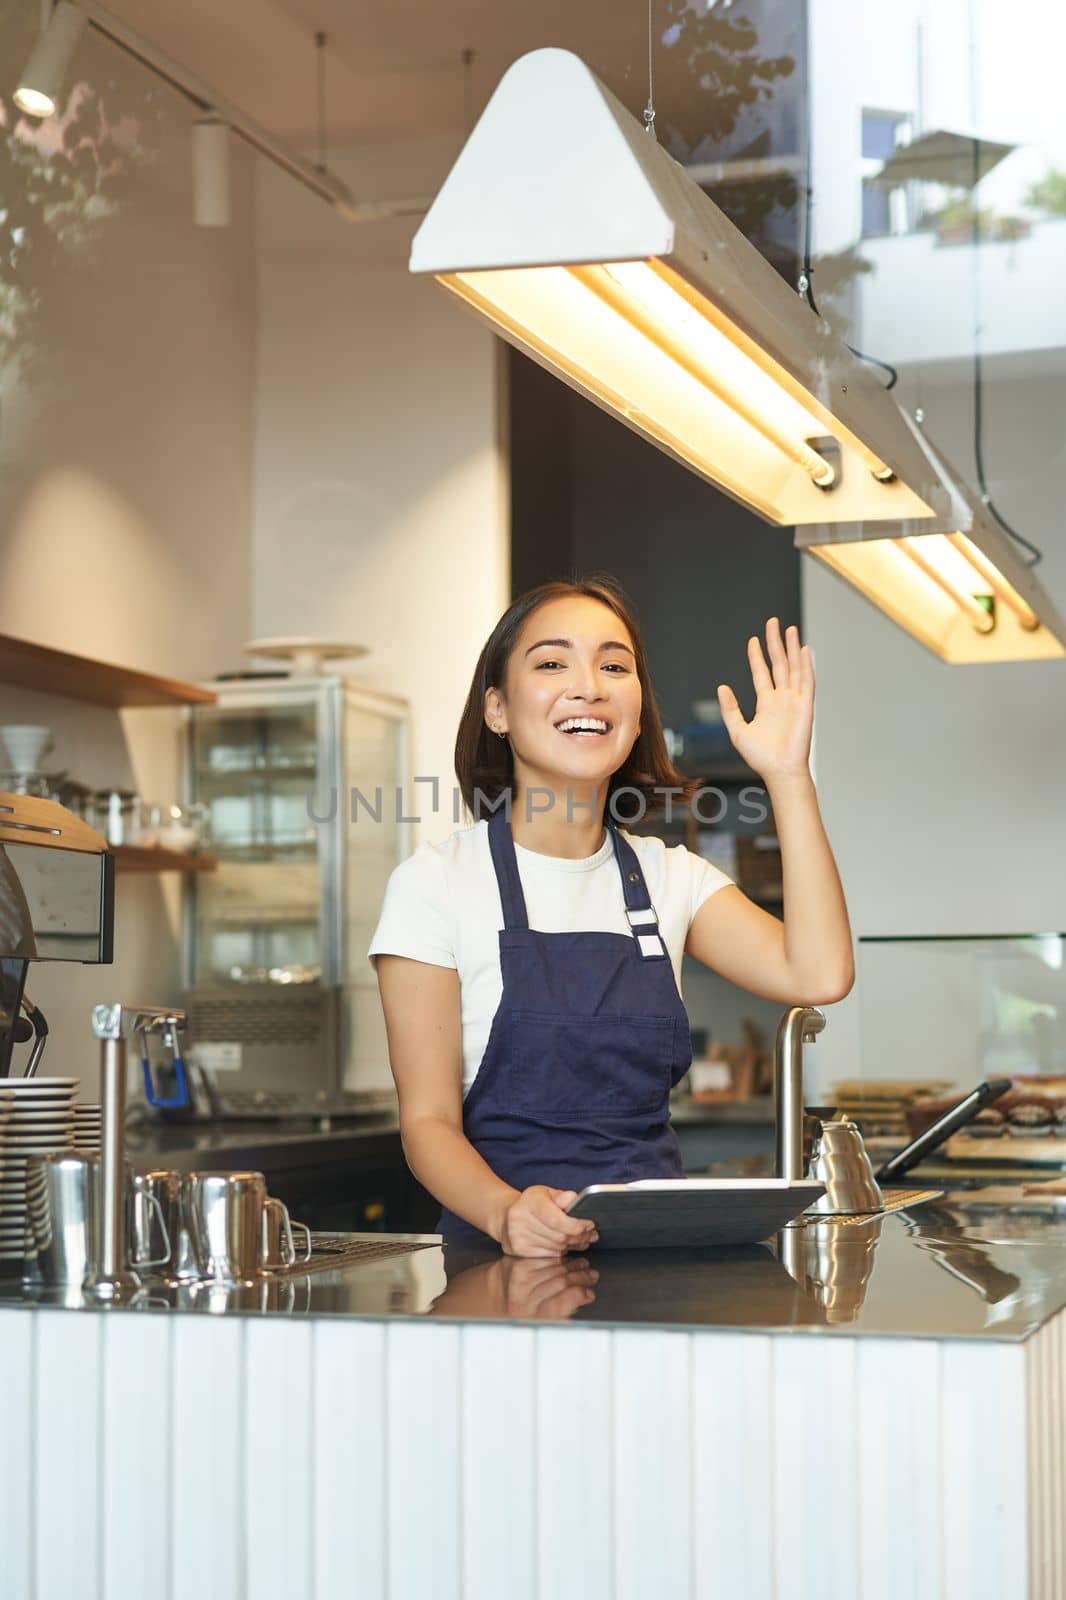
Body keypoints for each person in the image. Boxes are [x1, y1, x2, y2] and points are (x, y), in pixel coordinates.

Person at [369, 575, 853, 1257]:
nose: (589, 685)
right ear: (498, 709)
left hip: (665, 1269)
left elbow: (819, 973)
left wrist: (788, 777)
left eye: (614, 665)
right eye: (551, 663)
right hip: (507, 1272)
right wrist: (509, 1213)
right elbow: (426, 1124)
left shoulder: (670, 876)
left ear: (636, 709)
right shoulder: (435, 885)